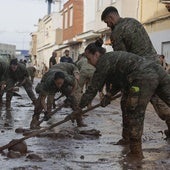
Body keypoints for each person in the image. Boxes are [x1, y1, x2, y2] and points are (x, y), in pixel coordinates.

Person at [72, 40, 170, 158]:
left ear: (96, 54)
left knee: (134, 112)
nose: (89, 62)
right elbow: (121, 80)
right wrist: (109, 95)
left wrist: (79, 107)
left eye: (89, 59)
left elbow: (93, 88)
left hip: (143, 77)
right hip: (158, 71)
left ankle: (135, 153)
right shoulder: (113, 58)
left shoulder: (103, 62)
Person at [101, 6, 170, 144]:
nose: (108, 25)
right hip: (156, 67)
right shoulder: (134, 22)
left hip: (140, 73)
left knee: (128, 104)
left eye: (107, 22)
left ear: (111, 18)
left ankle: (128, 140)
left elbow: (121, 62)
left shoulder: (117, 32)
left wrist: (110, 93)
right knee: (160, 102)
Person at [30, 63, 86, 129]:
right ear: (54, 80)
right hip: (50, 76)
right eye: (58, 83)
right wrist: (46, 111)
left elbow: (75, 84)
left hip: (63, 76)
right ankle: (35, 120)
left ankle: (79, 120)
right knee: (40, 102)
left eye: (60, 83)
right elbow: (43, 99)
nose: (59, 85)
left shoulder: (68, 79)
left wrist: (70, 96)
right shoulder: (48, 82)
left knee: (73, 100)